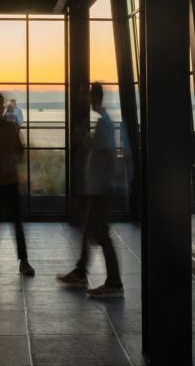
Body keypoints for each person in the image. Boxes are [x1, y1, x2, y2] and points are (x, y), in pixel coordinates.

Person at [57, 82, 124, 298]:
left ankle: (113, 282)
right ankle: (81, 272)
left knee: (102, 235)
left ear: (93, 98)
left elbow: (107, 156)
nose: (84, 100)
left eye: (86, 96)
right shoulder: (103, 122)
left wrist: (87, 143)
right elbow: (102, 152)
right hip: (99, 188)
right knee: (91, 230)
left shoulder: (103, 124)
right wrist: (87, 141)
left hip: (101, 190)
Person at [0, 92, 34, 277]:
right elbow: (21, 151)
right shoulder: (10, 128)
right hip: (9, 180)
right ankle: (23, 262)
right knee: (16, 223)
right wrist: (11, 157)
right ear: (2, 105)